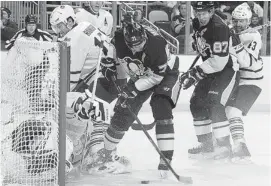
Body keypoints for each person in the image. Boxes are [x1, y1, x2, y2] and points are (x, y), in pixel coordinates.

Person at [86, 12, 181, 178]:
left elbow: (156, 77)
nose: (136, 48)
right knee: (123, 108)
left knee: (160, 105)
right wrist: (109, 63)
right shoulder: (119, 38)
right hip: (142, 74)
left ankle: (166, 158)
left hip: (164, 74)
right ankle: (107, 154)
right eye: (132, 45)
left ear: (144, 35)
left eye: (139, 44)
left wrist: (134, 88)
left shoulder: (157, 44)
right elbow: (109, 48)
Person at [49, 5, 130, 175]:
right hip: (110, 73)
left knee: (91, 109)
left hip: (108, 76)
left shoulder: (74, 36)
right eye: (54, 27)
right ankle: (96, 154)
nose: (57, 31)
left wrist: (61, 98)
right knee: (88, 110)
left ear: (70, 21)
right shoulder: (83, 27)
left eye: (60, 26)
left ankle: (104, 156)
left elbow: (71, 76)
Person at [179, 1, 239, 159]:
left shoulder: (219, 28)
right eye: (198, 13)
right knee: (196, 102)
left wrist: (196, 72)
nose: (201, 16)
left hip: (226, 69)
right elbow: (202, 43)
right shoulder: (197, 21)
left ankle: (224, 146)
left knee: (214, 102)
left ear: (212, 11)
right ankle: (207, 144)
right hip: (211, 67)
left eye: (205, 12)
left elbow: (219, 62)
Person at [226, 5, 263, 163]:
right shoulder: (234, 32)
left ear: (248, 21)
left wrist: (235, 41)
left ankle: (241, 149)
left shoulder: (253, 36)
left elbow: (245, 62)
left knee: (233, 112)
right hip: (237, 80)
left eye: (242, 21)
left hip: (251, 81)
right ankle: (224, 145)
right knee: (225, 109)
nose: (238, 24)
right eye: (236, 21)